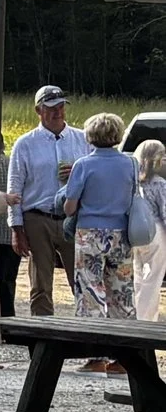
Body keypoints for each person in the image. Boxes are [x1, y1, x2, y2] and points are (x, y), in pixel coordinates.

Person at [4, 85, 88, 317]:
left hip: (73, 217)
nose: (57, 112)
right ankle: (41, 331)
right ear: (38, 111)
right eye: (51, 108)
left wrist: (78, 174)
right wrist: (16, 227)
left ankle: (87, 328)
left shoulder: (82, 139)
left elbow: (96, 177)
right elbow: (15, 186)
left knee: (82, 280)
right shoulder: (25, 144)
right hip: (37, 217)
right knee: (40, 283)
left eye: (60, 107)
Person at [62, 112, 139, 343]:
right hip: (121, 234)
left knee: (89, 291)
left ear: (90, 136)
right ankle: (125, 350)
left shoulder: (84, 165)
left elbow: (69, 207)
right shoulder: (131, 163)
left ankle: (93, 350)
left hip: (90, 234)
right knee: (122, 292)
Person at [136, 138, 166, 321]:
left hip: (134, 231)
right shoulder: (160, 183)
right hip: (155, 231)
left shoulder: (133, 181)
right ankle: (146, 319)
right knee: (153, 279)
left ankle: (132, 315)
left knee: (135, 276)